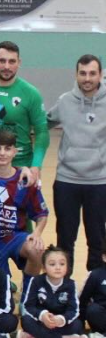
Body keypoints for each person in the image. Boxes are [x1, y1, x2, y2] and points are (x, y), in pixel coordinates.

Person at [47, 54, 106, 272]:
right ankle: (64, 286)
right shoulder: (65, 101)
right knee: (65, 238)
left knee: (97, 239)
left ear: (101, 75)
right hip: (67, 181)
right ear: (76, 74)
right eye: (83, 73)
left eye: (92, 73)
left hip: (99, 182)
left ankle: (96, 285)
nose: (87, 78)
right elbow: (43, 123)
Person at [0, 130, 48, 297]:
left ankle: (28, 293)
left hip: (14, 237)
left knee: (36, 249)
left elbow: (42, 213)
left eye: (7, 149)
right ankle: (3, 282)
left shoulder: (25, 180)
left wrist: (37, 232)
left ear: (15, 151)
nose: (2, 153)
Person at [0, 41, 49, 181]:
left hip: (21, 167)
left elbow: (42, 132)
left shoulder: (31, 93)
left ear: (19, 62)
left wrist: (36, 166)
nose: (7, 66)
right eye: (2, 61)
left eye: (12, 61)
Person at [16, 245, 94, 338]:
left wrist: (61, 319)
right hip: (41, 321)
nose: (58, 267)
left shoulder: (71, 284)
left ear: (67, 267)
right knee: (26, 320)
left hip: (60, 323)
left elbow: (74, 310)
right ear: (44, 267)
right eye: (52, 264)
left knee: (78, 325)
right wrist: (42, 315)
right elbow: (28, 306)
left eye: (62, 264)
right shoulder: (36, 281)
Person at [79, 241, 106, 338]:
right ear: (104, 257)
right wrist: (80, 325)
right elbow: (83, 300)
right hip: (102, 315)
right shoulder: (95, 275)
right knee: (93, 310)